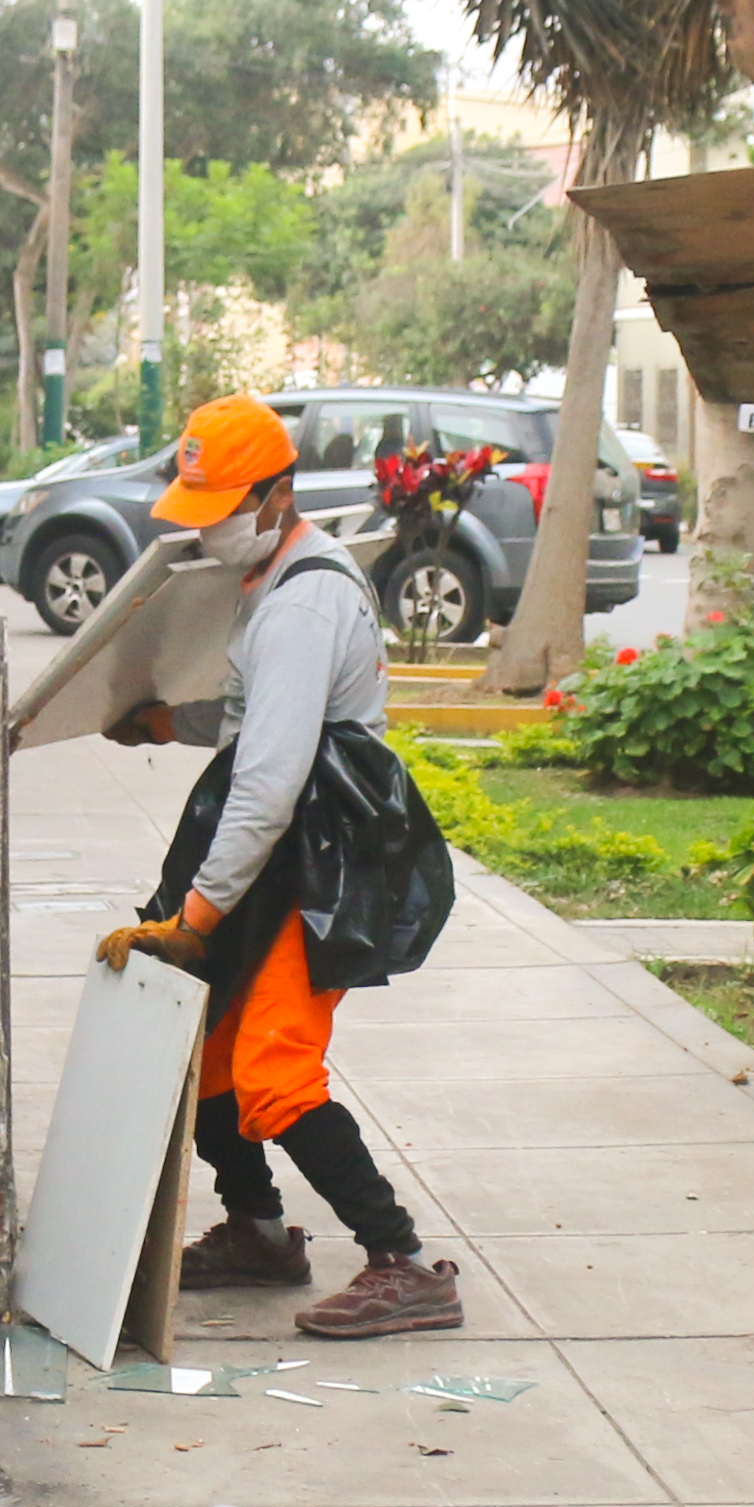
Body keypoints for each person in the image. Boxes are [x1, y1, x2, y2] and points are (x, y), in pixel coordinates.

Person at [103, 394, 463, 1340]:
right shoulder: (268, 580)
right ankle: (259, 1232)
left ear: (276, 496)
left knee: (272, 1069)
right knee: (211, 1048)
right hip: (289, 846)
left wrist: (196, 920)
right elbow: (244, 718)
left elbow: (267, 780)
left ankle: (404, 1262)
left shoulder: (302, 600)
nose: (209, 528)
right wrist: (160, 724)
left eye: (224, 507)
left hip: (319, 857)